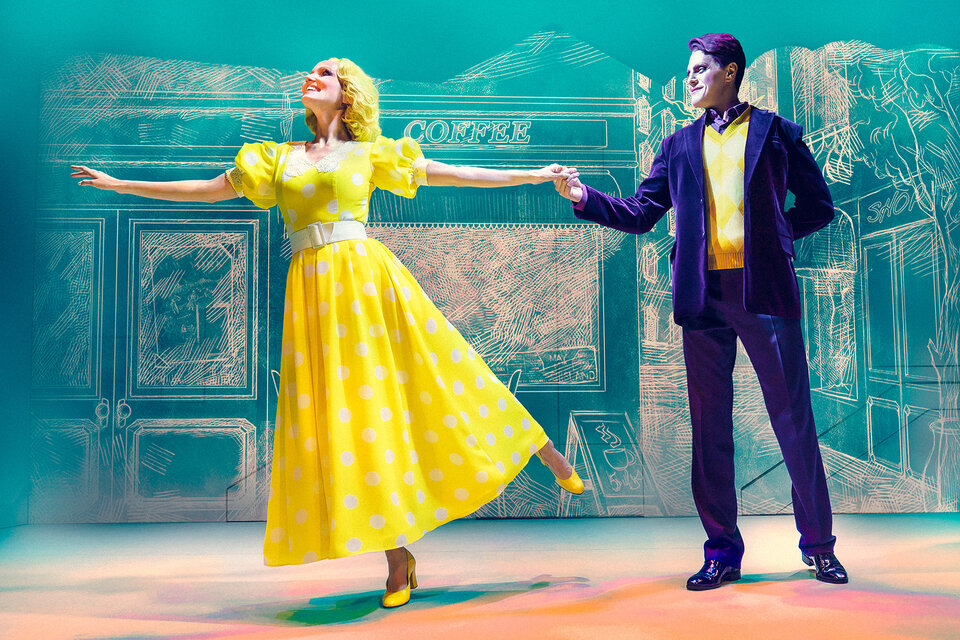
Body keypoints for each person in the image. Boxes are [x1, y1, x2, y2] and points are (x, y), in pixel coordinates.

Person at [72, 56, 584, 609]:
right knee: (355, 420)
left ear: (347, 94)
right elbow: (209, 188)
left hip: (366, 281)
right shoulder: (276, 159)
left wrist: (534, 175)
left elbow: (451, 173)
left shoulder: (371, 153)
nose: (311, 77)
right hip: (313, 295)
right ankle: (398, 561)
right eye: (309, 72)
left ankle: (543, 450)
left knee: (444, 367)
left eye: (326, 73)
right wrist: (123, 184)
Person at [554, 34, 848, 589]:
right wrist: (583, 198)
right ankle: (721, 554)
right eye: (687, 70)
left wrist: (777, 240)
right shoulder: (678, 145)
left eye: (699, 69)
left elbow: (819, 206)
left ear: (730, 72)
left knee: (794, 424)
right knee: (709, 431)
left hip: (765, 293)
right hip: (702, 297)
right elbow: (642, 213)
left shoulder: (778, 133)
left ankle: (819, 547)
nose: (689, 78)